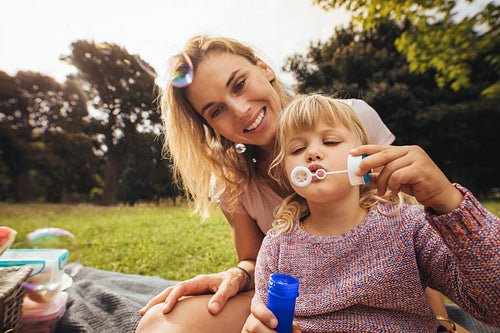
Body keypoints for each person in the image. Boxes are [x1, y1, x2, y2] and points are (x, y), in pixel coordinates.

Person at [136, 35, 468, 332]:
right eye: (216, 111)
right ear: (210, 126)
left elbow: (410, 229)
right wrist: (237, 274)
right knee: (158, 324)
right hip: (301, 307)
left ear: (264, 68)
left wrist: (440, 321)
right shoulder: (231, 181)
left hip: (382, 301)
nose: (239, 110)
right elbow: (254, 260)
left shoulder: (351, 120)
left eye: (238, 85)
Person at [242, 95, 500, 332]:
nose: (312, 153)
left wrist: (449, 201)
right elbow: (265, 319)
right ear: (287, 172)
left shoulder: (407, 226)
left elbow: (492, 302)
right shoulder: (277, 245)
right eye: (297, 150)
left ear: (365, 158)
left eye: (330, 141)